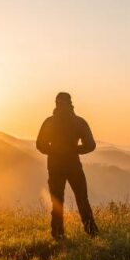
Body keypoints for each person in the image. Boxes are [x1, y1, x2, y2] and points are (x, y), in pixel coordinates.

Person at [36, 92, 98, 239]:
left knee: (57, 201)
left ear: (56, 103)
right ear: (71, 103)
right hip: (73, 165)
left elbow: (40, 145)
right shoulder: (79, 122)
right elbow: (91, 145)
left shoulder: (49, 122)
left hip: (55, 166)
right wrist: (74, 150)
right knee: (82, 199)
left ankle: (58, 234)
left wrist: (55, 151)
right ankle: (92, 232)